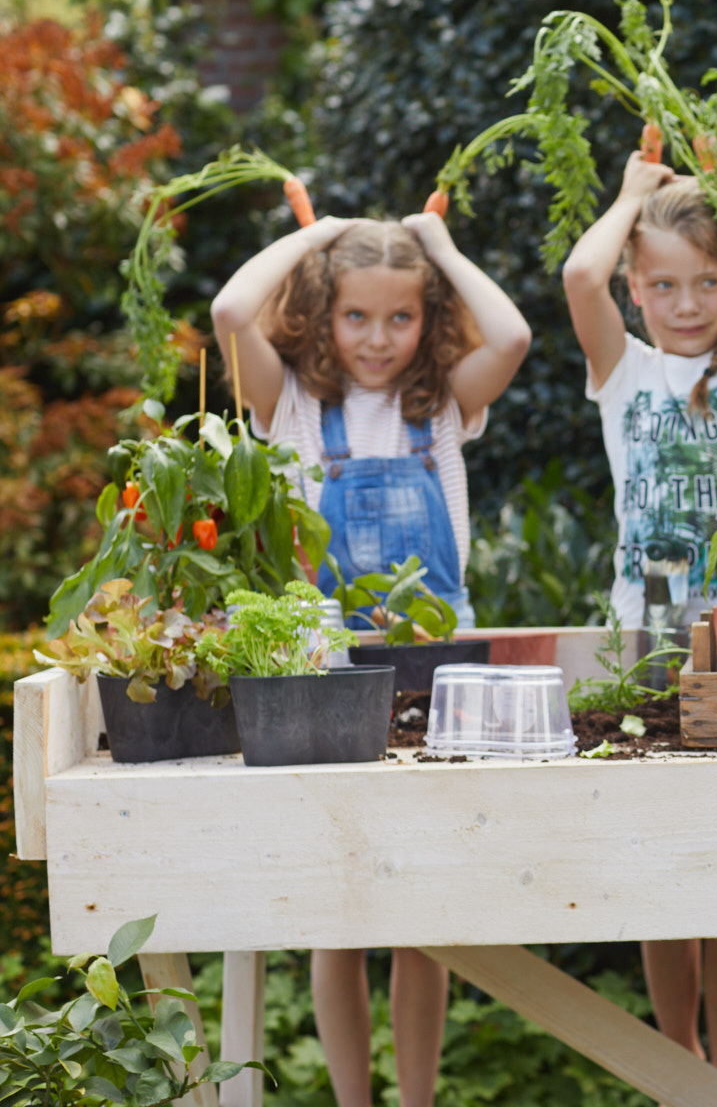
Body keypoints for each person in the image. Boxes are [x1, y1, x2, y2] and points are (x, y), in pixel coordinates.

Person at [210, 212, 531, 1107]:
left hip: (435, 676)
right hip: (322, 681)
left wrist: (442, 251)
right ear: (320, 314)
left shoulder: (442, 410)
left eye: (401, 317)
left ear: (428, 319)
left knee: (422, 918)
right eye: (356, 317)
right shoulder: (291, 409)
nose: (379, 339)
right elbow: (233, 309)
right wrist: (328, 238)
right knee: (336, 920)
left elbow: (511, 333)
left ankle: (418, 1101)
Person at [562, 149, 717, 1085]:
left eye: (709, 280)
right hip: (650, 640)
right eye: (664, 284)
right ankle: (681, 1063)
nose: (689, 302)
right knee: (667, 865)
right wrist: (627, 195)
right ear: (636, 288)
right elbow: (580, 274)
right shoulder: (627, 372)